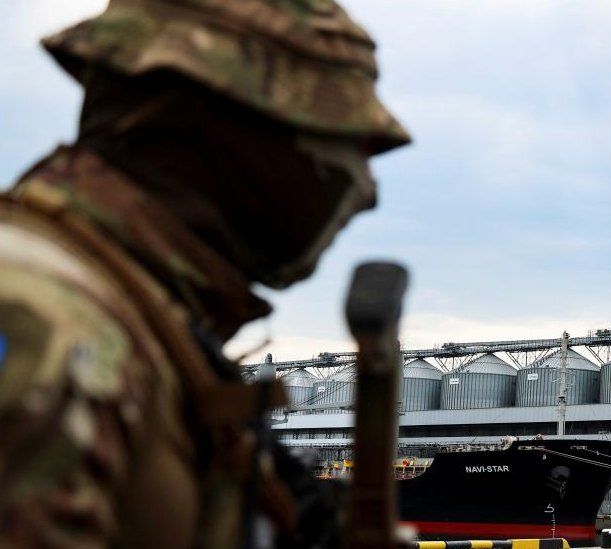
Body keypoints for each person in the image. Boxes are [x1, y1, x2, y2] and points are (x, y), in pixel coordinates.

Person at [0, 0, 409, 547]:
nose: (364, 191)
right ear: (229, 133)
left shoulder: (143, 325)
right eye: (343, 143)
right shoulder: (48, 321)